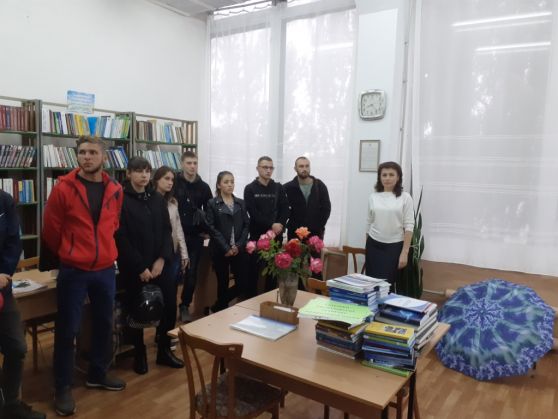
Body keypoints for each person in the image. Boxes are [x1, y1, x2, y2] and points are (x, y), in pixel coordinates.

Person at [42, 136, 126, 417]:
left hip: (105, 268)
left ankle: (97, 373)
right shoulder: (63, 188)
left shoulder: (115, 189)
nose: (86, 157)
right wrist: (70, 251)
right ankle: (63, 386)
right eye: (82, 152)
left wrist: (104, 251)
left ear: (104, 157)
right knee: (68, 329)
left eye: (92, 152)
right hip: (74, 270)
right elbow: (51, 229)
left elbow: (114, 224)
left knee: (104, 323)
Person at [115, 157, 183, 375]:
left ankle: (164, 350)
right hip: (134, 268)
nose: (143, 175)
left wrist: (162, 259)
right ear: (128, 173)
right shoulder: (121, 200)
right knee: (136, 310)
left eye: (147, 171)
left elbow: (166, 231)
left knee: (169, 307)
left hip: (160, 265)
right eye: (138, 171)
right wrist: (140, 267)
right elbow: (121, 237)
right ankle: (139, 353)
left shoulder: (156, 198)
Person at [0, 190, 45, 419]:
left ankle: (11, 404)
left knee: (16, 347)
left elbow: (13, 242)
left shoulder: (4, 200)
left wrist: (3, 273)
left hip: (2, 289)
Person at [173, 151, 212, 322]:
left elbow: (209, 211)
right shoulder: (173, 183)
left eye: (195, 163)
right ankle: (168, 307)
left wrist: (206, 230)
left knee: (191, 274)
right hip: (174, 236)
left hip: (195, 236)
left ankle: (184, 305)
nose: (192, 166)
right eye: (189, 163)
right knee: (173, 273)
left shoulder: (204, 187)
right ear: (182, 164)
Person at [244, 156, 289, 294]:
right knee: (253, 272)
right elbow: (253, 212)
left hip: (276, 236)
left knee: (272, 273)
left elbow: (285, 208)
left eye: (271, 168)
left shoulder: (278, 187)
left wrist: (280, 224)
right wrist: (271, 224)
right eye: (265, 167)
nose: (268, 170)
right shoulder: (250, 188)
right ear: (257, 168)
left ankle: (269, 299)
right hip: (257, 236)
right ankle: (250, 300)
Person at [365, 161, 414, 287]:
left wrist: (404, 253)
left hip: (394, 247)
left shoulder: (405, 197)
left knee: (387, 286)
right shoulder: (373, 197)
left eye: (391, 175)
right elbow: (369, 222)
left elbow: (409, 226)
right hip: (373, 245)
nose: (387, 178)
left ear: (398, 177)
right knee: (371, 285)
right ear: (380, 177)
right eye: (384, 175)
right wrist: (367, 246)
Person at [206, 171, 250, 310]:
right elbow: (211, 228)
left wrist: (238, 245)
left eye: (232, 181)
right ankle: (221, 311)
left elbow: (246, 225)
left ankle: (217, 307)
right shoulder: (212, 203)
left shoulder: (240, 203)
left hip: (238, 249)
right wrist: (226, 248)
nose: (230, 184)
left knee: (243, 283)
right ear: (219, 185)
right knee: (222, 282)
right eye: (226, 182)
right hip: (220, 250)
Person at [284, 156, 331, 240]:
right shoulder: (287, 187)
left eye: (307, 166)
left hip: (315, 233)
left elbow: (326, 208)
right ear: (295, 168)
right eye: (301, 166)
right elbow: (283, 209)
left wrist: (319, 225)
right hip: (294, 233)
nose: (304, 169)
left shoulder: (319, 185)